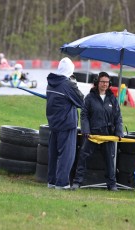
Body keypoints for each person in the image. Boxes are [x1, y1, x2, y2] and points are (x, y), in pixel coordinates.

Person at [71, 72, 123, 191]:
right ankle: (77, 182)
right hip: (91, 134)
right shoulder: (89, 98)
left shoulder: (112, 99)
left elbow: (118, 117)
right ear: (97, 83)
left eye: (107, 82)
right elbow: (84, 115)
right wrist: (86, 130)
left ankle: (112, 185)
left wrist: (119, 131)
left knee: (110, 160)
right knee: (83, 157)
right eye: (102, 82)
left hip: (108, 135)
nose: (105, 84)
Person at [46, 57, 84, 190]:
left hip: (53, 122)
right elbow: (81, 101)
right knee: (67, 154)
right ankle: (62, 183)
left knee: (53, 153)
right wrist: (74, 83)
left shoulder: (51, 82)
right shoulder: (68, 85)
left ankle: (51, 181)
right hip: (67, 124)